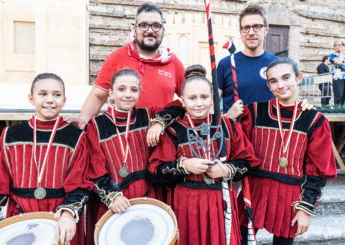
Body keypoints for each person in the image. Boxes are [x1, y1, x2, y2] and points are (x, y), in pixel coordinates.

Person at [147, 65, 259, 245]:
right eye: (192, 98)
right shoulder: (174, 131)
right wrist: (184, 166)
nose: (199, 103)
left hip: (220, 202)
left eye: (204, 97)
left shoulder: (227, 126)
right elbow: (156, 172)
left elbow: (249, 162)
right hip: (185, 204)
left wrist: (226, 170)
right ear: (182, 101)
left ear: (213, 99)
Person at [0, 73, 90, 245]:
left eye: (57, 94)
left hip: (59, 221)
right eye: (43, 94)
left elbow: (79, 184)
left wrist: (68, 214)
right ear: (31, 98)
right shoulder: (11, 135)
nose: (50, 100)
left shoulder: (75, 137)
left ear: (64, 100)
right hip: (19, 219)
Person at [238, 58, 337, 245]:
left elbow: (317, 170)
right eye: (273, 81)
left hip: (290, 197)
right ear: (268, 85)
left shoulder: (314, 120)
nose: (280, 85)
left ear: (298, 78)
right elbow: (235, 149)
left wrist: (306, 209)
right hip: (253, 191)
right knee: (240, 241)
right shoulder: (254, 112)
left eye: (286, 78)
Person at [84, 69, 182, 244]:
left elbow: (178, 106)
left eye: (133, 90)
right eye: (121, 89)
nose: (128, 95)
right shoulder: (96, 125)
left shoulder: (147, 116)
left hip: (148, 197)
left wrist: (159, 123)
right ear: (111, 94)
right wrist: (113, 197)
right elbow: (94, 168)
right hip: (116, 201)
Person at [70, 3, 185, 130]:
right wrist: (82, 123)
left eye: (156, 26)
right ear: (135, 29)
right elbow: (98, 96)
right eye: (144, 25)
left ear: (163, 31)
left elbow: (189, 98)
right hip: (122, 136)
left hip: (159, 137)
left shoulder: (173, 62)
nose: (150, 30)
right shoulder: (116, 58)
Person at [217, 4, 276, 119]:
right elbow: (211, 106)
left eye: (257, 26)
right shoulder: (226, 64)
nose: (251, 32)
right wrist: (227, 118)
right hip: (236, 133)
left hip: (268, 134)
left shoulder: (277, 64)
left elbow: (290, 100)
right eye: (246, 27)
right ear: (240, 31)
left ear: (266, 29)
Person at [329, 40, 345, 106]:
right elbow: (338, 62)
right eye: (336, 45)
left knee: (344, 95)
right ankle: (337, 110)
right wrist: (342, 53)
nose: (338, 47)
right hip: (337, 77)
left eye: (339, 45)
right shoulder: (331, 56)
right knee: (338, 94)